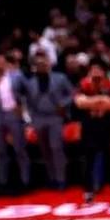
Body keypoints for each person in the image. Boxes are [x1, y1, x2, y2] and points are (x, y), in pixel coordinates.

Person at [75, 59, 110, 203]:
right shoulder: (83, 84)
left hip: (108, 126)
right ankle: (88, 192)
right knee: (89, 160)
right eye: (93, 69)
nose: (96, 72)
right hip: (89, 127)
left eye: (98, 69)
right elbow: (79, 103)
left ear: (103, 71)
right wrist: (101, 100)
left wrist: (91, 102)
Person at [26, 50, 74, 190]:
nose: (42, 65)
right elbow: (28, 102)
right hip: (39, 118)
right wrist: (32, 118)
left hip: (55, 117)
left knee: (56, 148)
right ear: (35, 65)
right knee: (45, 150)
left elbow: (72, 94)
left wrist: (63, 104)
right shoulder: (30, 82)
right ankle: (52, 178)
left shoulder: (60, 78)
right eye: (39, 63)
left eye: (44, 62)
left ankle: (61, 179)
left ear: (49, 63)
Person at [0, 53, 31, 193]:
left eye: (1, 62)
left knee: (20, 149)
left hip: (13, 115)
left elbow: (28, 91)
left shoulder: (16, 76)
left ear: (5, 63)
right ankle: (3, 183)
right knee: (1, 151)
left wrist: (23, 108)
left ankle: (25, 181)